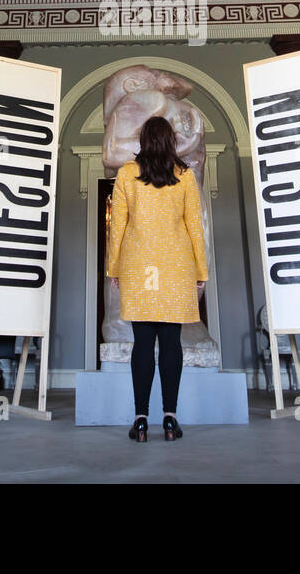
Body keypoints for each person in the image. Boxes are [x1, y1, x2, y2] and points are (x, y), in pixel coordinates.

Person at [106, 116, 209, 442]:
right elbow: (196, 227)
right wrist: (201, 272)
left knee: (142, 343)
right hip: (177, 269)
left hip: (138, 267)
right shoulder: (185, 177)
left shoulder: (126, 174)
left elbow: (117, 227)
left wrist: (114, 269)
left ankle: (139, 421)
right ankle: (169, 419)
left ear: (143, 140)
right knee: (170, 343)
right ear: (170, 141)